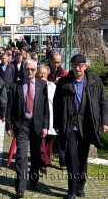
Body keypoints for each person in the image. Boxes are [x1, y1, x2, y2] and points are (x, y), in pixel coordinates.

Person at [53, 54, 108, 199]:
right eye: (74, 65)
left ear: (85, 66)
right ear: (71, 67)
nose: (77, 68)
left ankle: (80, 187)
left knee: (83, 158)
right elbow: (57, 104)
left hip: (87, 125)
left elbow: (103, 102)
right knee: (71, 157)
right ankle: (71, 190)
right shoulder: (64, 82)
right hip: (70, 124)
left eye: (80, 65)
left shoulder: (95, 81)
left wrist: (104, 122)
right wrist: (56, 124)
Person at [6, 59, 49, 198]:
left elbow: (46, 109)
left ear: (36, 70)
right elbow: (10, 107)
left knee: (36, 156)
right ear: (23, 70)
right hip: (22, 125)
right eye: (27, 69)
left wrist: (46, 126)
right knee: (21, 156)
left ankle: (34, 179)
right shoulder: (15, 86)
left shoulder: (42, 85)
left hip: (37, 125)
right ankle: (20, 187)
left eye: (32, 69)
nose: (29, 72)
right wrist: (9, 125)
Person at [36, 65, 57, 174]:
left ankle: (44, 163)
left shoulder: (52, 85)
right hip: (40, 117)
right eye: (40, 72)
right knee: (41, 141)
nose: (43, 75)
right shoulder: (34, 84)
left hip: (52, 116)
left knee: (49, 142)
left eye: (45, 73)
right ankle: (45, 160)